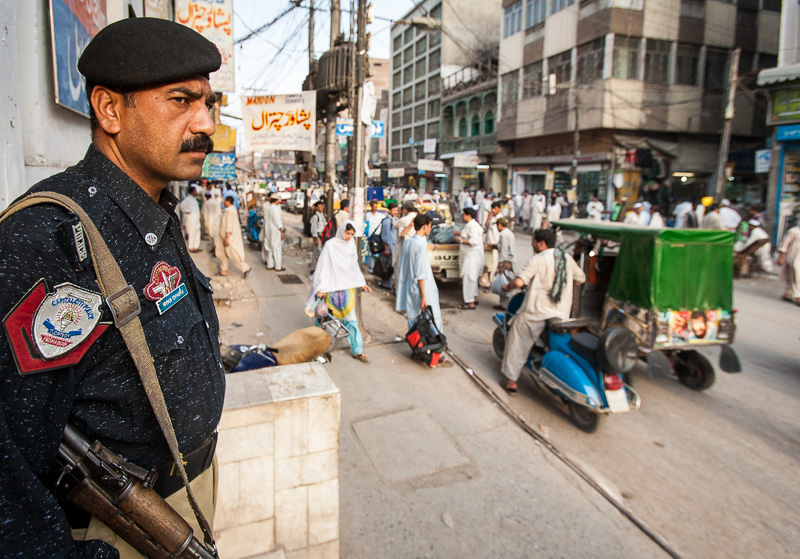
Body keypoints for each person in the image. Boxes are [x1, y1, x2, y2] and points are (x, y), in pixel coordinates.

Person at [0, 17, 225, 558]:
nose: (206, 123)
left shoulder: (153, 211)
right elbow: (9, 459)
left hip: (184, 501)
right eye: (180, 101)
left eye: (209, 103)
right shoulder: (47, 238)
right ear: (109, 110)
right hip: (113, 528)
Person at [499, 229, 587, 394]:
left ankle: (511, 381)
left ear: (542, 243)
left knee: (516, 342)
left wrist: (507, 286)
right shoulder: (565, 258)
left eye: (533, 241)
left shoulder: (538, 260)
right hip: (560, 314)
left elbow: (519, 282)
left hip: (536, 313)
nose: (531, 244)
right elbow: (581, 278)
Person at [306, 221, 372, 362]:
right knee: (324, 320)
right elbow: (324, 267)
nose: (349, 237)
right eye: (348, 233)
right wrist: (321, 287)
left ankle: (357, 350)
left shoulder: (351, 245)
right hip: (330, 289)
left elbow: (353, 267)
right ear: (342, 231)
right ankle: (318, 348)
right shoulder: (331, 245)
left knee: (351, 320)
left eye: (352, 234)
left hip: (346, 291)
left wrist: (361, 283)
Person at [395, 214, 453, 368]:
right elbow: (421, 275)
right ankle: (435, 358)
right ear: (425, 226)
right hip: (422, 291)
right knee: (433, 323)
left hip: (410, 289)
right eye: (429, 225)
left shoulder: (409, 243)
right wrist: (423, 297)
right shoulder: (420, 246)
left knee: (414, 322)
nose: (430, 228)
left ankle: (418, 351)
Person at [454, 207, 484, 310]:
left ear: (468, 215)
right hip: (473, 256)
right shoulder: (473, 225)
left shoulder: (472, 226)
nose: (462, 217)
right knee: (473, 278)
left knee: (469, 278)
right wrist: (460, 234)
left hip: (471, 256)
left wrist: (461, 241)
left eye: (463, 215)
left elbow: (474, 241)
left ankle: (469, 302)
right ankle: (474, 298)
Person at [218, 195, 251, 278]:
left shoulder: (230, 211)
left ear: (228, 201)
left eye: (225, 201)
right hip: (225, 236)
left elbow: (229, 225)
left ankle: (246, 268)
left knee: (233, 254)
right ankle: (223, 270)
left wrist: (227, 237)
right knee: (223, 254)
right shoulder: (229, 210)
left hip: (229, 237)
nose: (224, 202)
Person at [494, 217, 516, 310]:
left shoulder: (503, 235)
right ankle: (503, 303)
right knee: (505, 281)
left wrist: (501, 265)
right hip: (510, 260)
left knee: (505, 282)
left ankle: (505, 305)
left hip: (506, 261)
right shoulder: (509, 233)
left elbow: (504, 251)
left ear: (499, 225)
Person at [393, 201, 418, 281]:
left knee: (404, 271)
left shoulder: (404, 219)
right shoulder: (419, 217)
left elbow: (395, 226)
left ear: (405, 210)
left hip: (408, 247)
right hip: (419, 246)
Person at [778, 222, 800, 304]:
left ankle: (788, 293)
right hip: (793, 257)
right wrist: (781, 256)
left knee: (793, 276)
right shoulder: (794, 231)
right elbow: (785, 244)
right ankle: (797, 296)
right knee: (796, 276)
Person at [261, 195, 285, 271]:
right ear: (276, 200)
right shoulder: (275, 209)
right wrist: (281, 231)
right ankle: (278, 267)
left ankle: (270, 265)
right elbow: (278, 221)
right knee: (277, 249)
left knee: (269, 248)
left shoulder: (267, 208)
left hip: (268, 230)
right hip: (275, 231)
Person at [378, 203, 399, 289]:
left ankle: (387, 283)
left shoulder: (394, 220)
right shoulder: (387, 221)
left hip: (393, 246)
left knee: (389, 265)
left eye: (397, 210)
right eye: (394, 210)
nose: (396, 212)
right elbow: (385, 235)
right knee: (387, 266)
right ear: (389, 211)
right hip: (389, 247)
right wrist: (386, 248)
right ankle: (386, 284)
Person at [485, 201, 503, 288]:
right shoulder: (492, 218)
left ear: (499, 208)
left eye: (495, 208)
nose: (493, 210)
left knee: (493, 265)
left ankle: (491, 284)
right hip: (488, 244)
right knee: (487, 264)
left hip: (495, 245)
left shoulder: (501, 219)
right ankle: (487, 281)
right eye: (492, 208)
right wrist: (488, 218)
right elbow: (486, 227)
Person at [179, 185, 202, 252]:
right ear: (191, 192)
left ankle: (195, 246)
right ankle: (191, 247)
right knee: (191, 233)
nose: (196, 192)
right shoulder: (188, 199)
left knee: (197, 233)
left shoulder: (194, 199)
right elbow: (181, 206)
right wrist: (187, 211)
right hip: (191, 219)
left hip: (196, 219)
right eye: (195, 191)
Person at [365, 199, 384, 273]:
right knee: (370, 253)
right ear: (371, 206)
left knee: (377, 252)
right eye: (374, 206)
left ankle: (376, 269)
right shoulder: (366, 215)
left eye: (376, 206)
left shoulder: (380, 216)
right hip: (369, 237)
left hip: (377, 237)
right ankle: (370, 269)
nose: (375, 208)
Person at [310, 200, 326, 269]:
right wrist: (316, 238)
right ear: (316, 208)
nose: (321, 208)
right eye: (319, 207)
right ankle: (313, 268)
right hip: (318, 236)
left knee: (320, 253)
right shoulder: (315, 217)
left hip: (322, 236)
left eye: (322, 207)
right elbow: (313, 228)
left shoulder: (321, 215)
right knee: (316, 253)